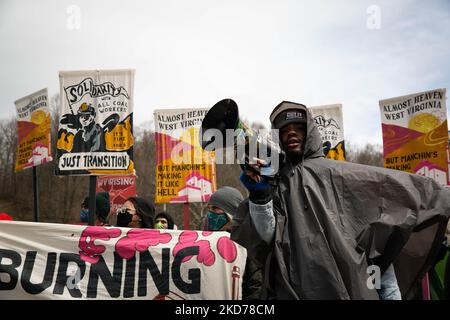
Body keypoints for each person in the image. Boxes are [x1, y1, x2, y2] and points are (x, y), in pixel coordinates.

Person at [232, 100, 450, 300]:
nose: (291, 133)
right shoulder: (275, 182)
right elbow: (266, 235)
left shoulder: (342, 176)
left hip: (350, 286)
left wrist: (438, 196)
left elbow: (392, 192)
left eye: (297, 127)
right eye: (285, 130)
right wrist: (260, 194)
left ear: (309, 131)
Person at [202, 186, 263, 300]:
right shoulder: (204, 241)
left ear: (231, 213)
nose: (210, 213)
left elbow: (256, 286)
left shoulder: (247, 243)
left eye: (215, 208)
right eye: (209, 209)